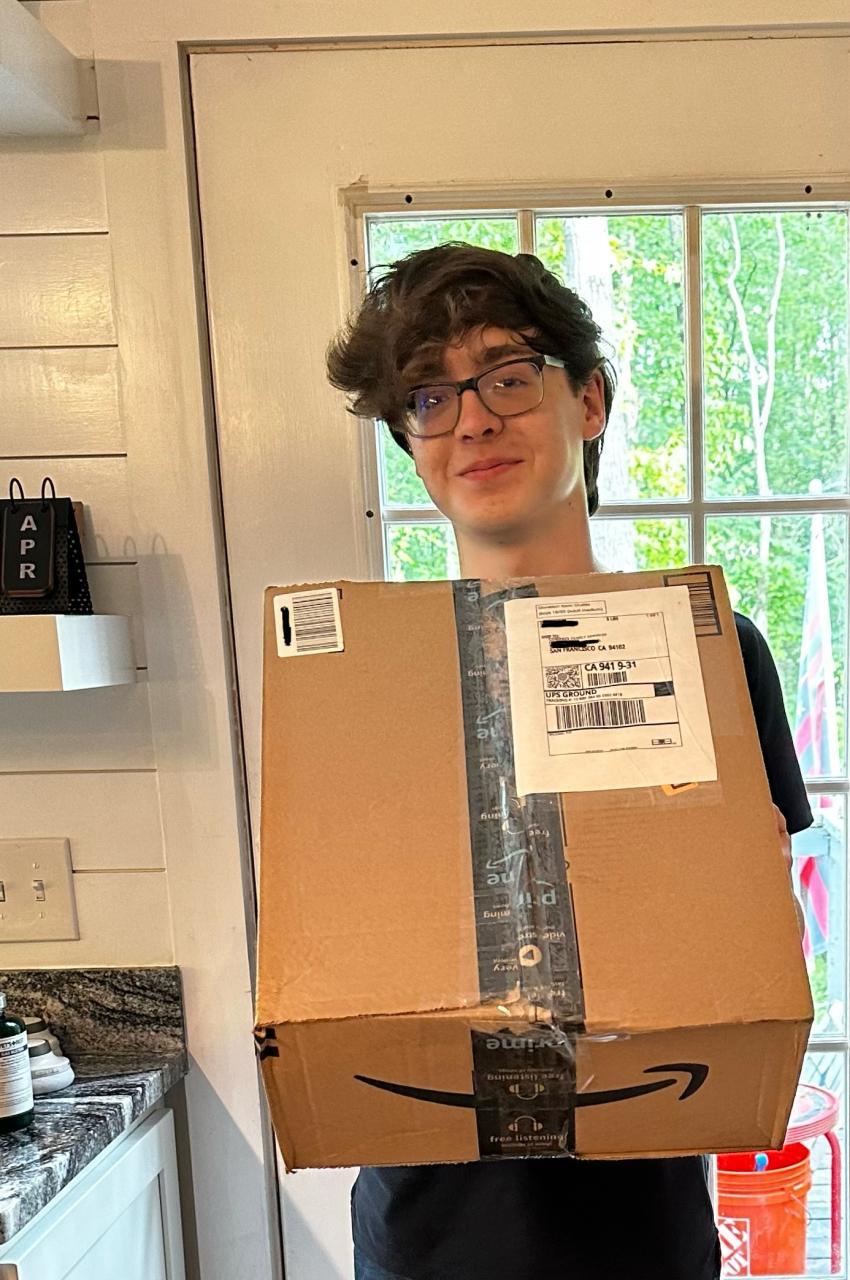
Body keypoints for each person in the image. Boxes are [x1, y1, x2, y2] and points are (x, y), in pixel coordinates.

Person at [326, 243, 812, 1280]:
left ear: (588, 399)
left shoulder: (711, 652)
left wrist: (756, 904)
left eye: (506, 376)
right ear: (409, 441)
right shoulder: (366, 686)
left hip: (642, 1226)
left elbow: (767, 971)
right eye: (429, 397)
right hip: (426, 1235)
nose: (471, 421)